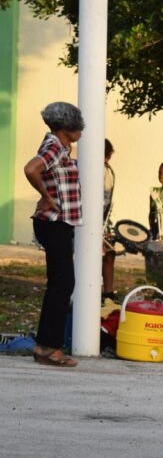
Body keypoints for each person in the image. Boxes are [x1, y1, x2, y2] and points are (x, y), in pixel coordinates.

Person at [23, 101, 84, 367]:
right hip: (54, 222)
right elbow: (31, 169)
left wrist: (47, 194)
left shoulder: (60, 147)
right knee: (62, 284)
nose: (81, 130)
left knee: (59, 284)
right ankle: (50, 348)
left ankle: (45, 345)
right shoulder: (55, 147)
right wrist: (46, 197)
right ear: (65, 127)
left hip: (58, 222)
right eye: (77, 125)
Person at [101, 139, 117, 302]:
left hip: (103, 219)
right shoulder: (99, 170)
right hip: (93, 219)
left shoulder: (107, 170)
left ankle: (108, 293)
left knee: (109, 253)